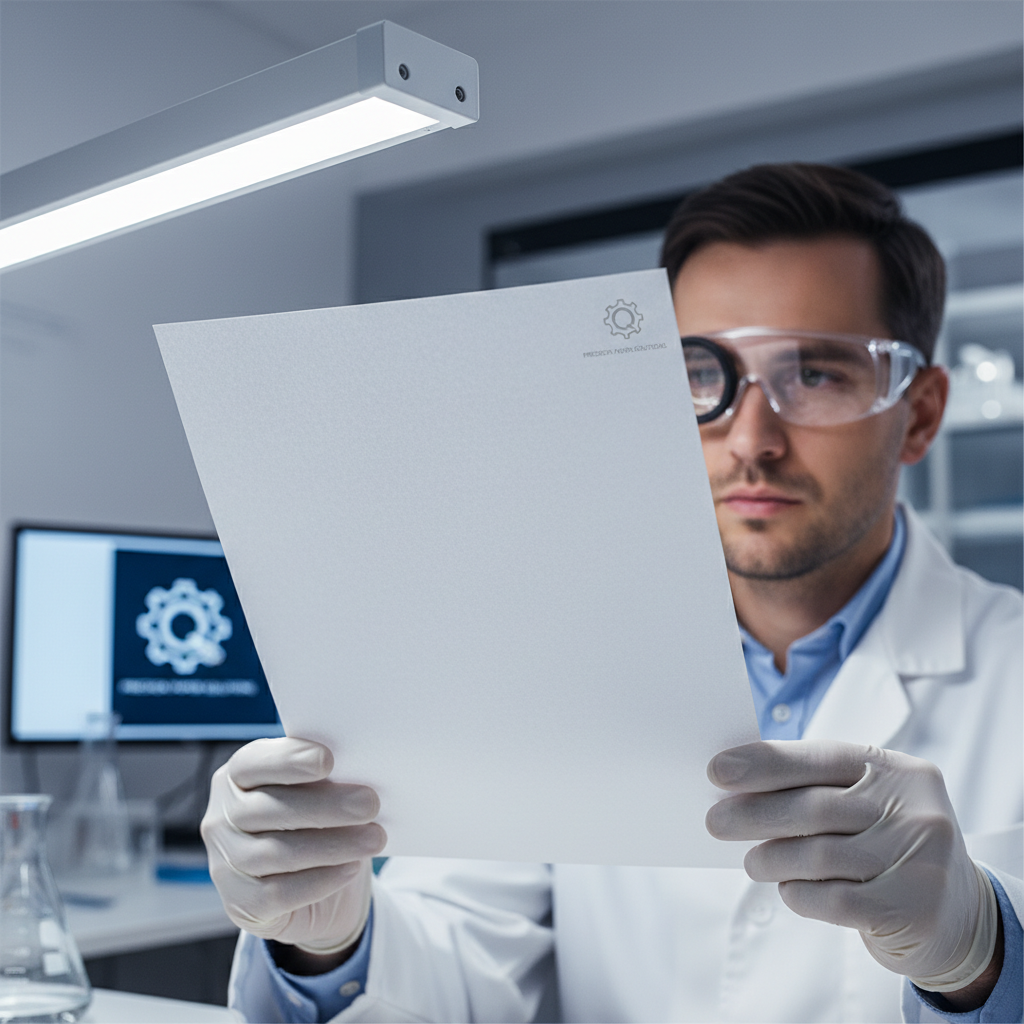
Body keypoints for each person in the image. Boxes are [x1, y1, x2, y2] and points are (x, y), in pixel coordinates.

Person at [201, 164, 1022, 1024]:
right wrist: (325, 941)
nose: (751, 439)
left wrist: (986, 953)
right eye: (705, 374)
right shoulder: (558, 670)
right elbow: (458, 963)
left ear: (921, 414)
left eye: (814, 375)